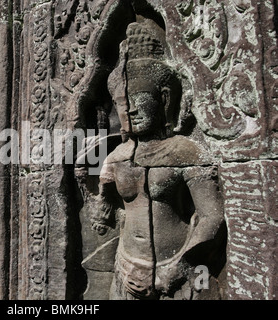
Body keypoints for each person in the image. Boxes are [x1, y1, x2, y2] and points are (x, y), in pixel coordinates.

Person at [93, 19, 225, 300]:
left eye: (137, 98)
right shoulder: (118, 156)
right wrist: (102, 203)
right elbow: (109, 203)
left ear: (164, 99)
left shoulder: (184, 152)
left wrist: (182, 266)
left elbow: (212, 215)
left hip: (176, 267)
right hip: (126, 266)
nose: (129, 110)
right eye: (120, 103)